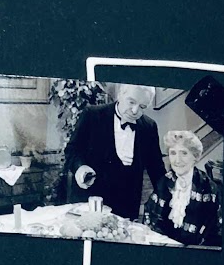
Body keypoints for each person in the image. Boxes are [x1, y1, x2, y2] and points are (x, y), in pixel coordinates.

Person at [56, 84, 166, 220]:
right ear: (120, 95)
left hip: (127, 206)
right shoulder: (92, 114)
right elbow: (72, 150)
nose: (135, 111)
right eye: (131, 102)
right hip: (90, 203)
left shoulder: (149, 126)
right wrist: (80, 168)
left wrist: (171, 194)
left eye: (142, 107)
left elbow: (156, 168)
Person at [144, 129, 222, 247]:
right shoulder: (164, 182)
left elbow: (214, 232)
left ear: (195, 156)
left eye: (184, 153)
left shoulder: (208, 188)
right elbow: (150, 216)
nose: (177, 160)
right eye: (173, 153)